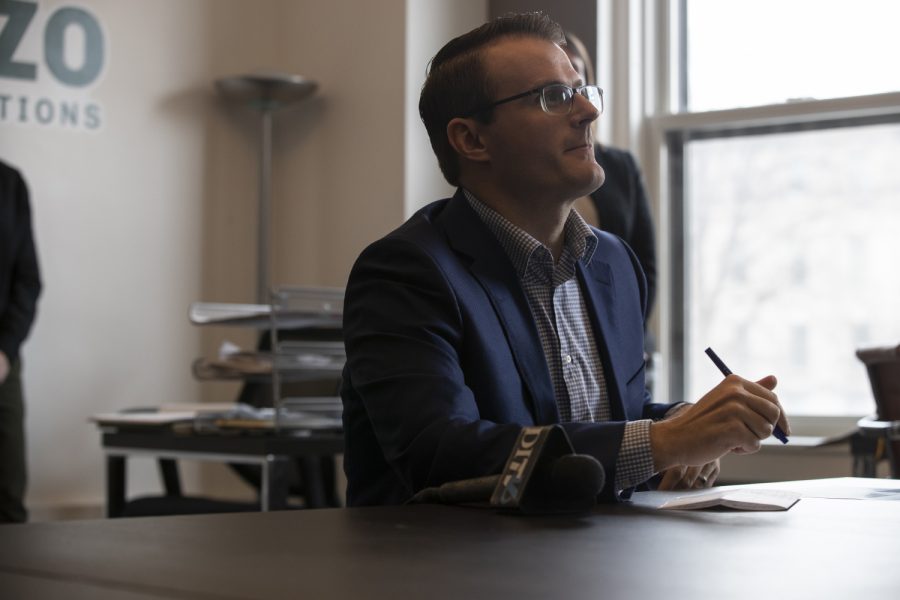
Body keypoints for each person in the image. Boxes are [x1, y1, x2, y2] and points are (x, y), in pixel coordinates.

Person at [340, 13, 789, 506]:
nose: (587, 112)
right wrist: (666, 443)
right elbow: (442, 455)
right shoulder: (406, 272)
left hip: (594, 564)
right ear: (472, 139)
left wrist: (687, 420)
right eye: (553, 97)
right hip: (445, 571)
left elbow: (606, 416)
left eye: (582, 91)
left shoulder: (614, 263)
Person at [564, 31, 658, 322]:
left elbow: (645, 265)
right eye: (557, 92)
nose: (587, 109)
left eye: (578, 83)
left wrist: (629, 334)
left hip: (624, 327)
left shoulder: (620, 166)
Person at [0, 159, 41, 524]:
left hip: (1, 359)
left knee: (8, 495)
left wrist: (5, 352)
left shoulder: (9, 183)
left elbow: (28, 280)